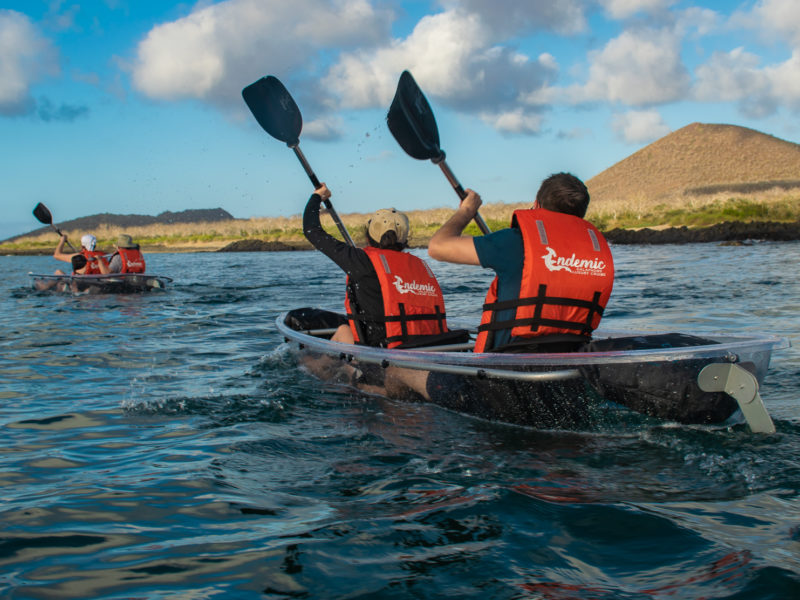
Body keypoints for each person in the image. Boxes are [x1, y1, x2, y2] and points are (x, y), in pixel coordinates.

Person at [385, 172, 615, 402]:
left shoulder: (515, 241)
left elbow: (437, 247)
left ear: (536, 205)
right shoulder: (594, 253)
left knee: (396, 370)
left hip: (500, 386)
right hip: (566, 383)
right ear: (581, 214)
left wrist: (467, 211)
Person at [303, 183, 463, 350]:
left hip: (383, 354)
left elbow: (311, 230)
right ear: (404, 239)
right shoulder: (419, 266)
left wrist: (317, 196)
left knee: (343, 331)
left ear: (369, 234)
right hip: (426, 347)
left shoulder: (360, 261)